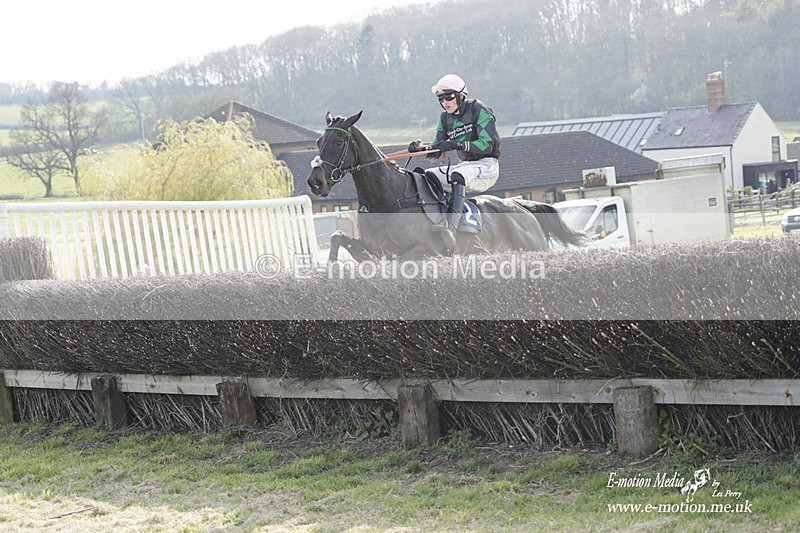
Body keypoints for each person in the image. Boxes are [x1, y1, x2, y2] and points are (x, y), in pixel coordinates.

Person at [408, 74, 501, 251]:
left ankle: (451, 229)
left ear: (461, 95)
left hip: (487, 165)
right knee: (425, 176)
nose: (445, 102)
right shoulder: (445, 118)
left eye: (449, 96)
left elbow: (487, 145)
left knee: (458, 174)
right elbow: (436, 151)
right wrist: (420, 149)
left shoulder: (479, 110)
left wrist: (455, 144)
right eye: (441, 99)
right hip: (465, 166)